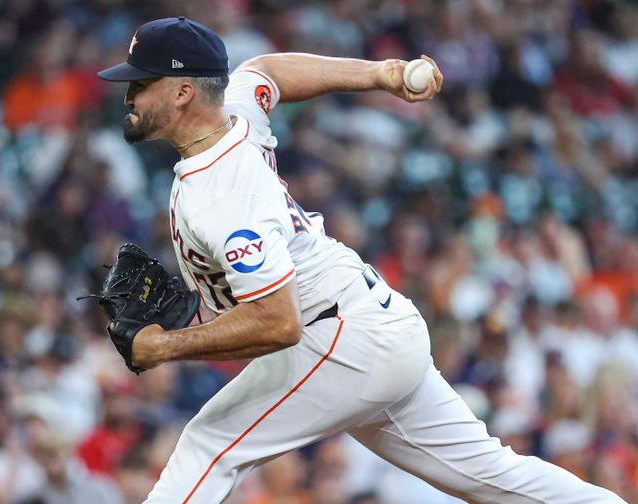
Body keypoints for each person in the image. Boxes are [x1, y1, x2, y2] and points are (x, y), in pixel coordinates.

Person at [96, 16, 624, 503]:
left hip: (340, 337)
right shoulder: (232, 110)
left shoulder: (226, 197)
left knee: (207, 445)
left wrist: (165, 346)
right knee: (495, 478)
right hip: (372, 321)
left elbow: (279, 324)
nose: (129, 95)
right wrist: (383, 73)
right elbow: (268, 72)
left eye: (141, 83)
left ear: (184, 91)